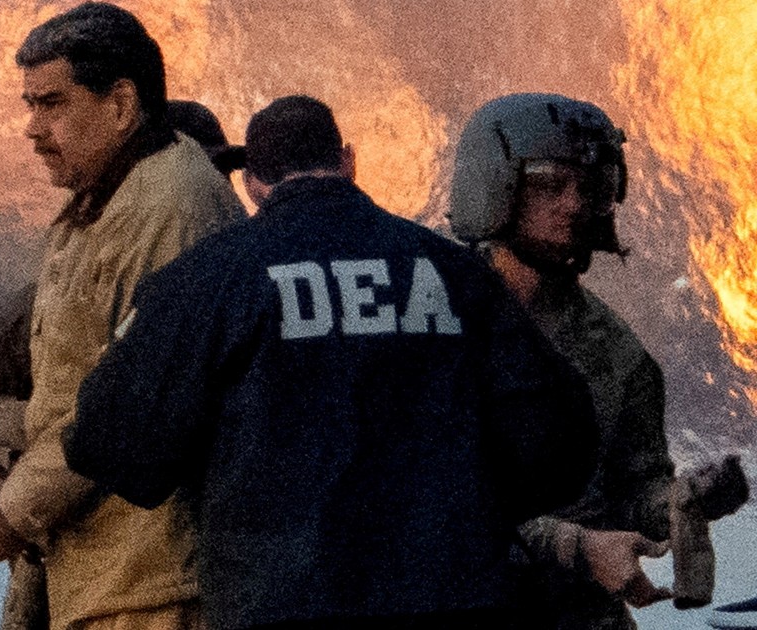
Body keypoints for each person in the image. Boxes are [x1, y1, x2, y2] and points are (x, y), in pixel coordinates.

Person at [63, 95, 600, 630]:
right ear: (348, 161)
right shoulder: (456, 274)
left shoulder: (206, 279)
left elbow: (107, 442)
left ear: (252, 184)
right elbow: (561, 442)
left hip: (278, 605)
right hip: (453, 598)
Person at [0, 4, 245, 629]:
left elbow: (132, 404)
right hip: (112, 581)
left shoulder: (169, 209)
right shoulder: (107, 200)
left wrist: (13, 511)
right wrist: (6, 481)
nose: (32, 129)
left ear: (122, 104)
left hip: (156, 590)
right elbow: (74, 395)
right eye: (30, 106)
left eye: (53, 104)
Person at [448, 92, 677, 629]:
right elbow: (424, 499)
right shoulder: (435, 320)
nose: (574, 205)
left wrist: (676, 504)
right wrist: (572, 546)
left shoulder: (615, 351)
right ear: (492, 186)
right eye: (549, 184)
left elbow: (636, 483)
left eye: (590, 187)